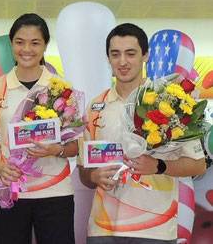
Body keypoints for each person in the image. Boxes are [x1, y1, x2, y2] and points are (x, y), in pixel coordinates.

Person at [78, 23, 206, 243]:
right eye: (115, 54)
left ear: (146, 55)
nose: (123, 62)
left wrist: (158, 166)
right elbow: (84, 169)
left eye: (131, 53)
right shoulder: (95, 106)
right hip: (102, 229)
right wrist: (93, 176)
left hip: (154, 228)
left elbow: (197, 164)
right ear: (108, 58)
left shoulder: (168, 102)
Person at [0, 13, 78, 244]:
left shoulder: (61, 88)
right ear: (11, 43)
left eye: (35, 43)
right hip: (10, 191)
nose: (27, 49)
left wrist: (56, 150)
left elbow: (75, 146)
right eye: (20, 42)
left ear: (45, 46)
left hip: (55, 192)